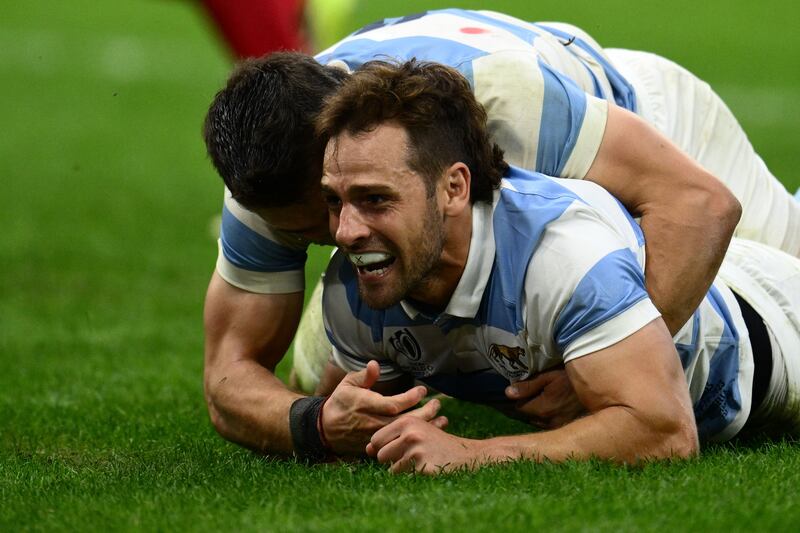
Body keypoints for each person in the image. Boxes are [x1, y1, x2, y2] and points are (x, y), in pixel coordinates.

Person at [201, 9, 799, 455]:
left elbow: (699, 202)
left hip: (646, 122)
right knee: (316, 372)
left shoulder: (501, 100)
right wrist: (316, 422)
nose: (346, 232)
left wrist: (607, 362)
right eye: (321, 224)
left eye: (366, 200)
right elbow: (229, 374)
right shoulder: (262, 172)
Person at [316, 59, 800, 473]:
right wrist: (329, 423)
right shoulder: (353, 286)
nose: (346, 232)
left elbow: (665, 432)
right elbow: (348, 423)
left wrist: (472, 453)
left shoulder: (558, 255)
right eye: (335, 201)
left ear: (454, 189)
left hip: (769, 329)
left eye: (375, 199)